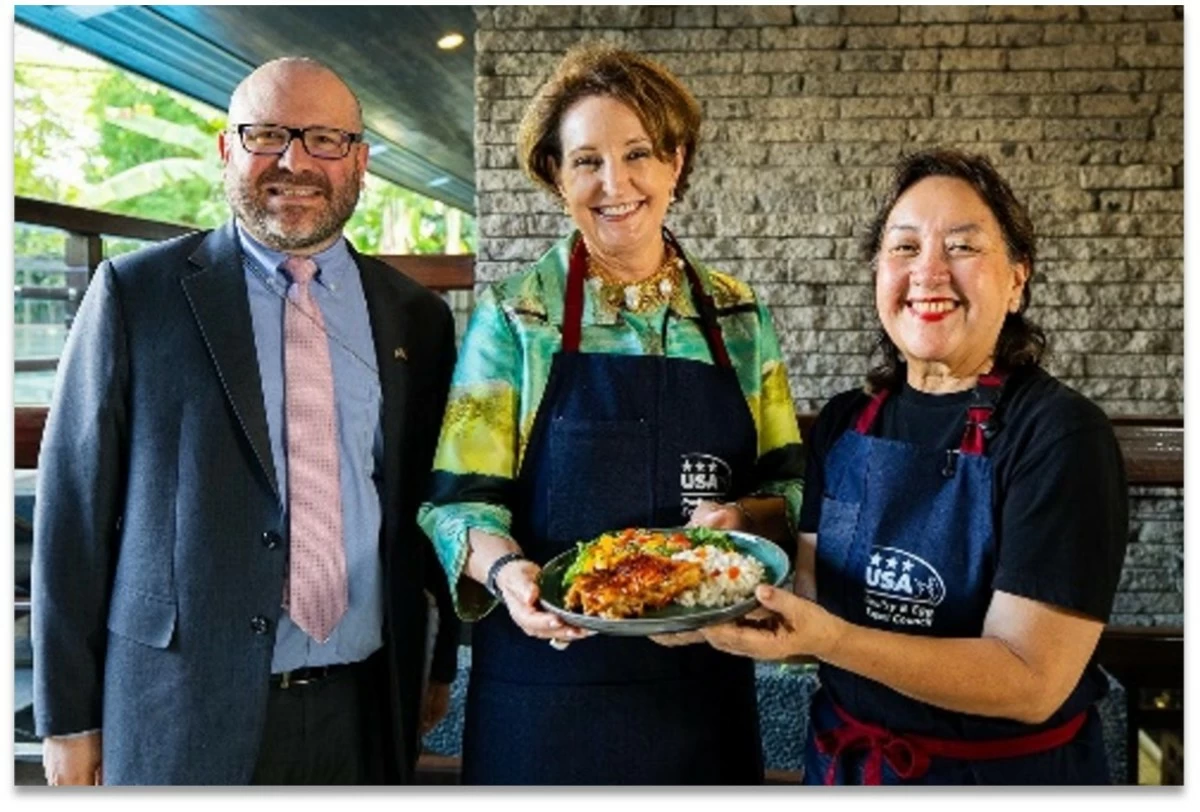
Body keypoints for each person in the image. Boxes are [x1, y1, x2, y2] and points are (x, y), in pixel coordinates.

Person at [32, 57, 459, 785]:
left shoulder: (417, 317)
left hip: (364, 706)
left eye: (325, 139)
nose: (293, 161)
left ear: (359, 160)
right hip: (181, 709)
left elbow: (435, 508)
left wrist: (439, 662)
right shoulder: (138, 296)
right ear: (227, 149)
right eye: (266, 135)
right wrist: (69, 717)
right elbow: (72, 512)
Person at [417, 44, 805, 785]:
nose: (615, 183)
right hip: (545, 689)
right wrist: (507, 575)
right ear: (556, 176)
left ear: (676, 163)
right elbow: (458, 502)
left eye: (638, 154)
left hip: (703, 689)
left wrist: (745, 521)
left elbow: (791, 486)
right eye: (586, 160)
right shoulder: (514, 317)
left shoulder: (740, 317)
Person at [698, 149, 1129, 785]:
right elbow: (814, 595)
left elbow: (1031, 680)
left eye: (962, 247)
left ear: (1016, 281)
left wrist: (832, 642)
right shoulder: (847, 425)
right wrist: (712, 585)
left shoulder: (1059, 435)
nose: (928, 271)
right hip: (848, 769)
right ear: (878, 273)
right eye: (904, 248)